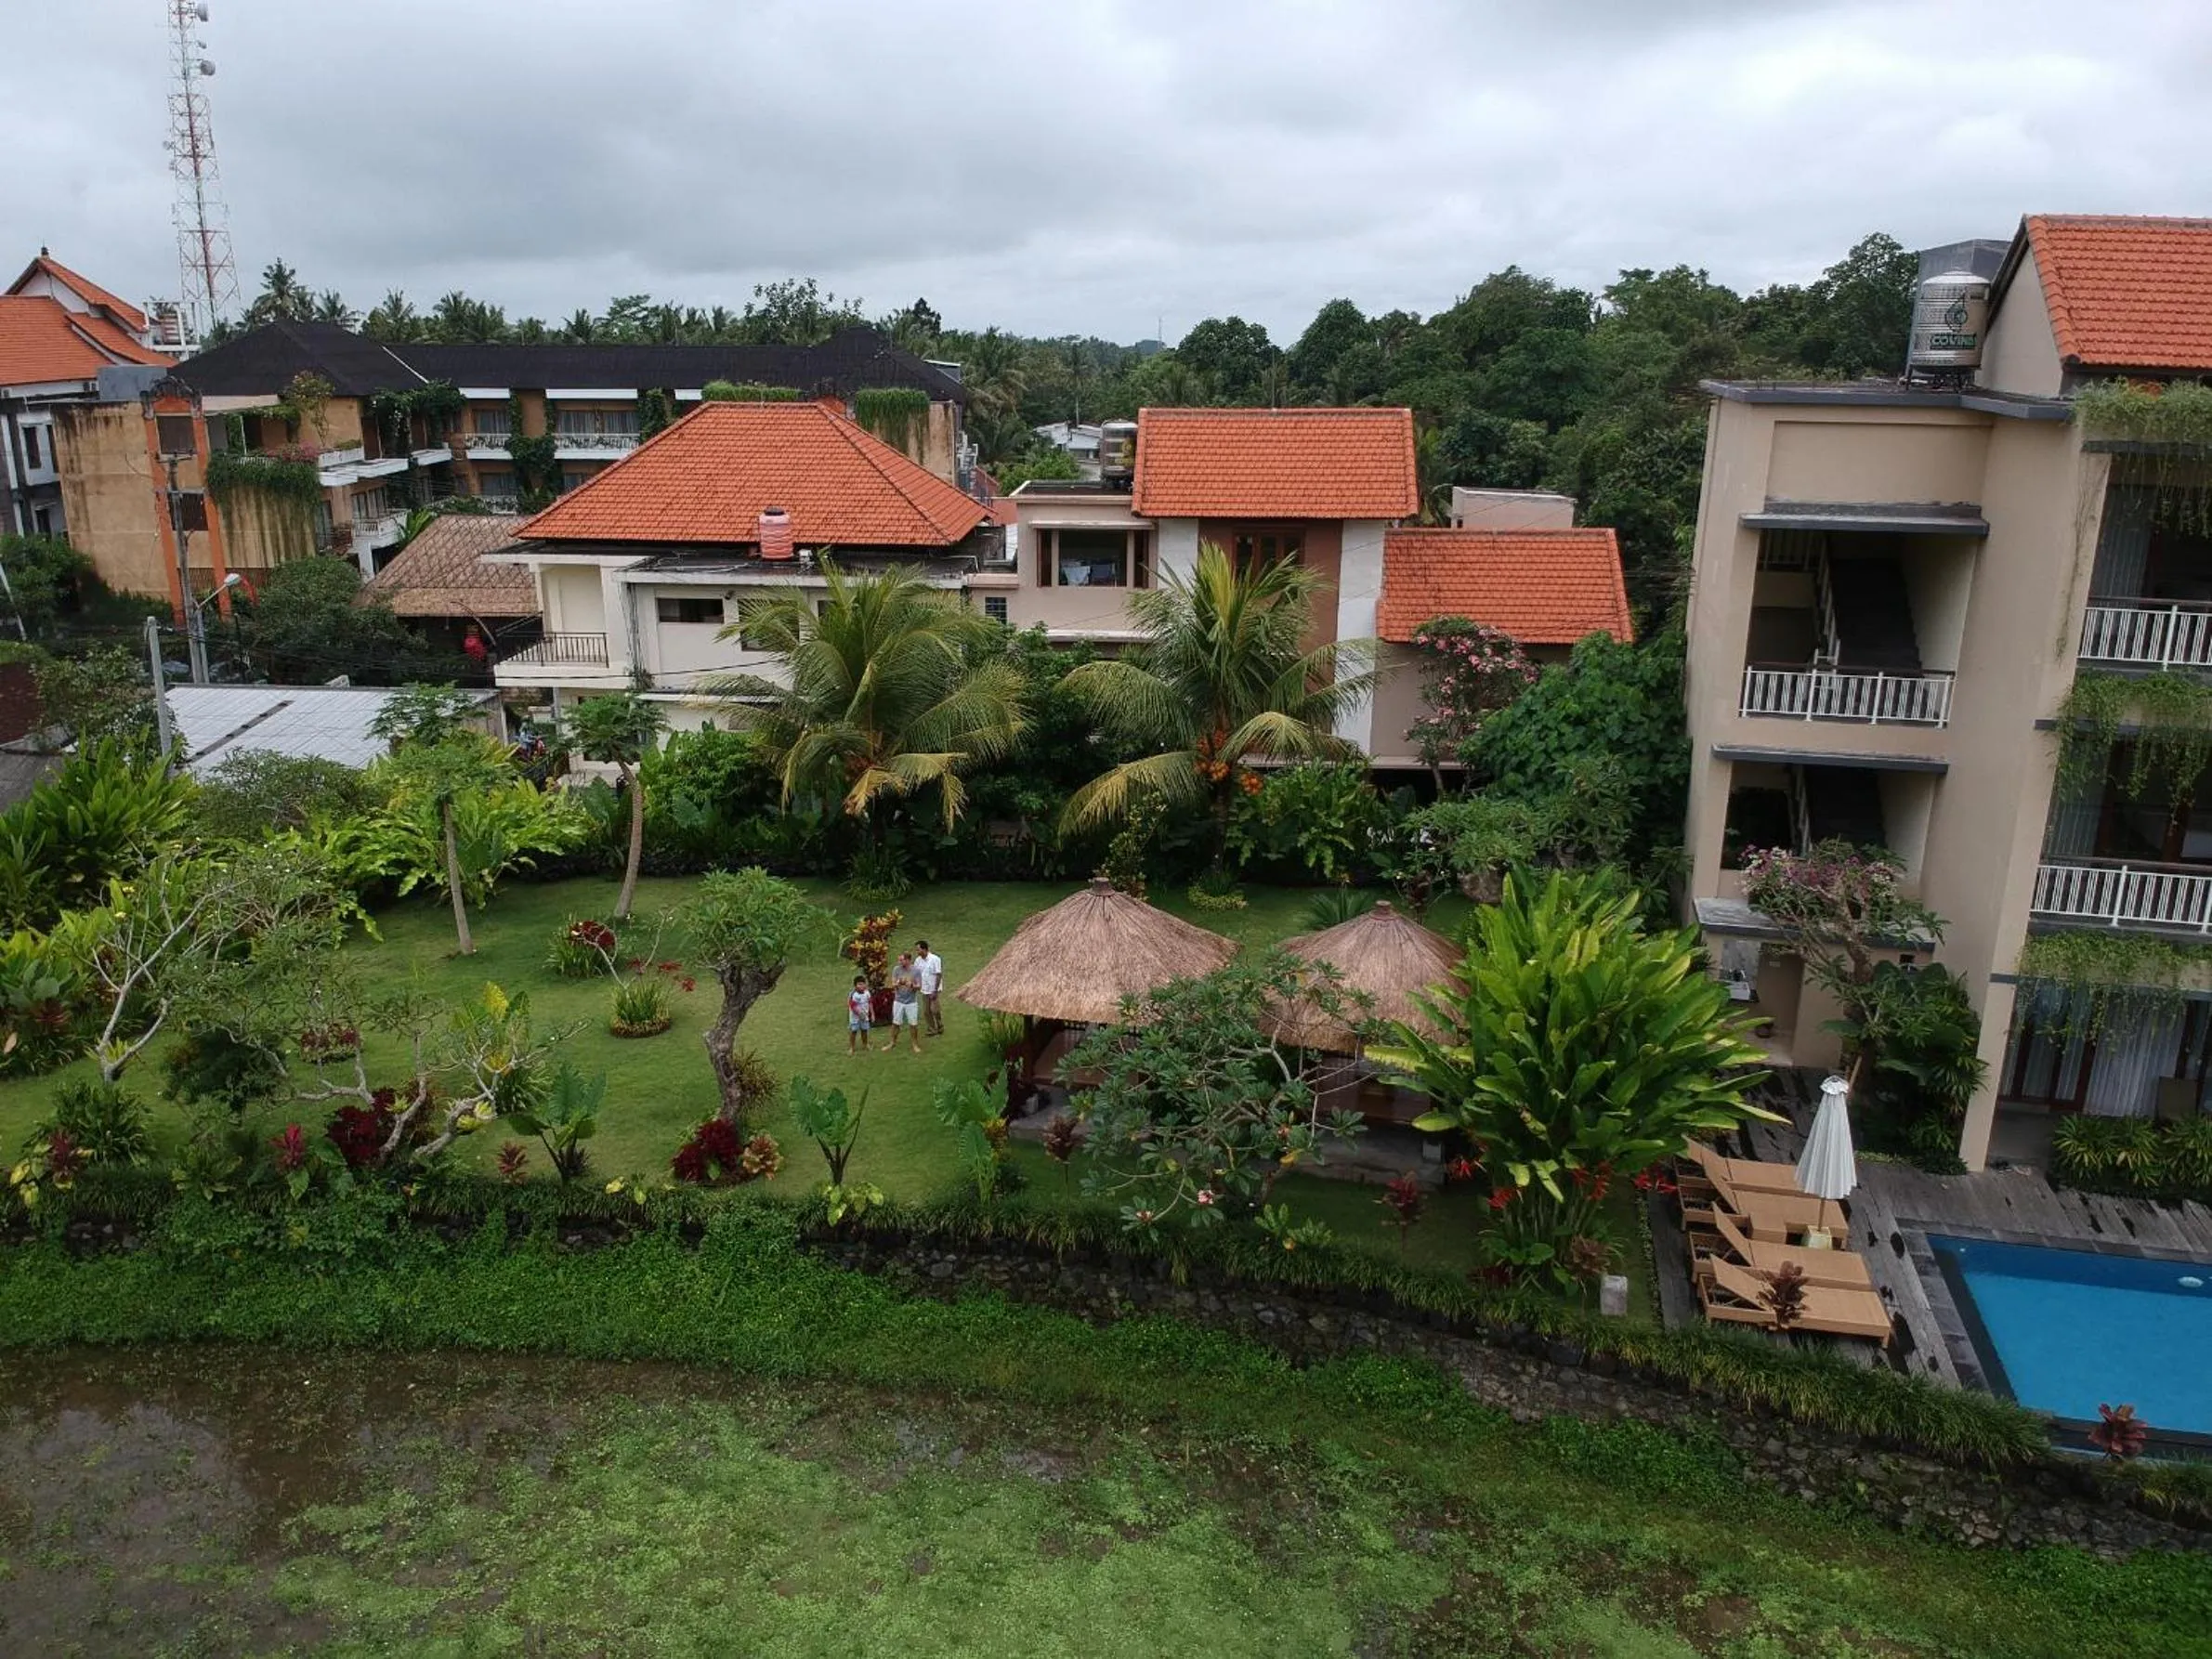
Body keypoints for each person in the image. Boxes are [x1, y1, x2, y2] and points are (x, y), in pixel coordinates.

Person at [889, 949, 923, 1053]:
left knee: (913, 1024)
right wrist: (898, 983)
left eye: (902, 960)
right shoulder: (896, 969)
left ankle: (914, 1044)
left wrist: (912, 985)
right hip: (898, 1000)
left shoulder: (916, 971)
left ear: (908, 960)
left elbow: (919, 986)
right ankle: (892, 1042)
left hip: (911, 1001)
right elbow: (893, 984)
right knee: (895, 1023)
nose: (900, 962)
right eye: (899, 960)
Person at [915, 937, 945, 1037]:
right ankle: (932, 1029)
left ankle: (940, 1025)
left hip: (933, 989)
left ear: (924, 949)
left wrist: (935, 991)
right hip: (924, 990)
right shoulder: (918, 960)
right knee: (926, 1011)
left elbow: (938, 975)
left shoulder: (935, 959)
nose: (917, 951)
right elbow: (916, 973)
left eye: (918, 949)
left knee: (935, 1010)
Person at [846, 975, 873, 1054]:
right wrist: (859, 1013)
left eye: (863, 984)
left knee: (864, 1030)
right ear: (855, 986)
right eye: (859, 984)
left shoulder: (867, 993)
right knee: (853, 1031)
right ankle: (852, 1047)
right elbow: (852, 1005)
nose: (861, 986)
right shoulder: (854, 995)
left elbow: (870, 1003)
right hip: (855, 1018)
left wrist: (872, 1014)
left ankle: (865, 1044)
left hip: (864, 1017)